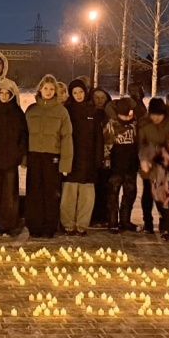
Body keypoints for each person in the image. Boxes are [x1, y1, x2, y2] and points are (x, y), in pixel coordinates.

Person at [24, 74, 73, 238]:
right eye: (46, 88)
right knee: (34, 192)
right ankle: (34, 225)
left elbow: (66, 138)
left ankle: (49, 226)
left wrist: (65, 164)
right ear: (40, 89)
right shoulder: (31, 110)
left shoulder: (61, 111)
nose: (48, 91)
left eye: (52, 89)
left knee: (50, 193)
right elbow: (24, 135)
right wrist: (24, 158)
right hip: (34, 156)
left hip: (52, 157)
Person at [60, 79, 104, 235]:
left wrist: (98, 159)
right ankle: (68, 224)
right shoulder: (66, 111)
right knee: (69, 193)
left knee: (87, 195)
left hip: (89, 159)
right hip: (71, 158)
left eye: (81, 92)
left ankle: (82, 225)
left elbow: (98, 137)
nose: (78, 95)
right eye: (75, 93)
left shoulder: (94, 111)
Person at [0, 78, 27, 237]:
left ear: (11, 94)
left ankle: (7, 225)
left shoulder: (17, 113)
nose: (3, 96)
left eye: (6, 93)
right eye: (0, 93)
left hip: (11, 159)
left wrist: (19, 153)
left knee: (9, 194)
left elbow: (23, 135)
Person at [137, 98, 169, 234]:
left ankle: (167, 222)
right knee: (148, 193)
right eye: (153, 114)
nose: (155, 118)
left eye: (159, 114)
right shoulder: (145, 125)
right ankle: (148, 222)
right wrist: (144, 158)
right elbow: (141, 145)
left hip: (167, 166)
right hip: (150, 165)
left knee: (165, 195)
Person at [103, 97, 139, 232]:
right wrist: (106, 161)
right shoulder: (111, 124)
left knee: (130, 192)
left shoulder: (135, 123)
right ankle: (112, 221)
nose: (126, 118)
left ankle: (125, 220)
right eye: (123, 115)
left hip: (131, 165)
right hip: (116, 166)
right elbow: (106, 145)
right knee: (113, 194)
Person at [89, 87, 112, 226]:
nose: (99, 100)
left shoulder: (110, 115)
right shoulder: (90, 113)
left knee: (105, 188)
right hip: (92, 156)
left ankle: (104, 216)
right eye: (96, 97)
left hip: (108, 156)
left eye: (102, 97)